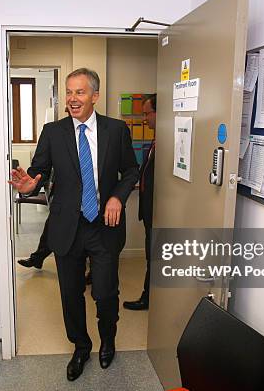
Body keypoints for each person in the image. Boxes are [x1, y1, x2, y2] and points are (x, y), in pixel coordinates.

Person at [9, 68, 139, 381]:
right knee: (70, 293)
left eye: (79, 92)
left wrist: (117, 197)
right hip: (68, 226)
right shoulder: (52, 132)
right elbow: (38, 173)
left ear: (95, 96)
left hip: (104, 227)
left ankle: (108, 341)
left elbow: (131, 171)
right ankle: (81, 346)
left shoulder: (116, 130)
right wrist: (30, 185)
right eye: (69, 92)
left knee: (106, 293)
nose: (72, 98)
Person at [123, 94, 156, 311]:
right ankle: (149, 297)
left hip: (159, 213)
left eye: (147, 113)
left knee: (155, 258)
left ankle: (148, 298)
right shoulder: (155, 142)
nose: (144, 119)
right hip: (149, 212)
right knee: (151, 257)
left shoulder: (170, 143)